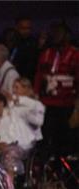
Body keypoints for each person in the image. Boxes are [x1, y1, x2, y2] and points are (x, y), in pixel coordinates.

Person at [34, 23, 78, 158]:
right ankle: (47, 169)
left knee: (64, 140)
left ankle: (65, 170)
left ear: (67, 35)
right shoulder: (46, 53)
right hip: (47, 104)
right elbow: (38, 76)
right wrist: (35, 96)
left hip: (66, 105)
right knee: (45, 139)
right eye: (54, 32)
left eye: (59, 33)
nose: (56, 36)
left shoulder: (75, 54)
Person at [0, 92, 36, 178]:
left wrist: (5, 144)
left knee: (9, 154)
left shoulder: (12, 115)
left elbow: (14, 136)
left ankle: (9, 188)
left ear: (2, 103)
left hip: (17, 146)